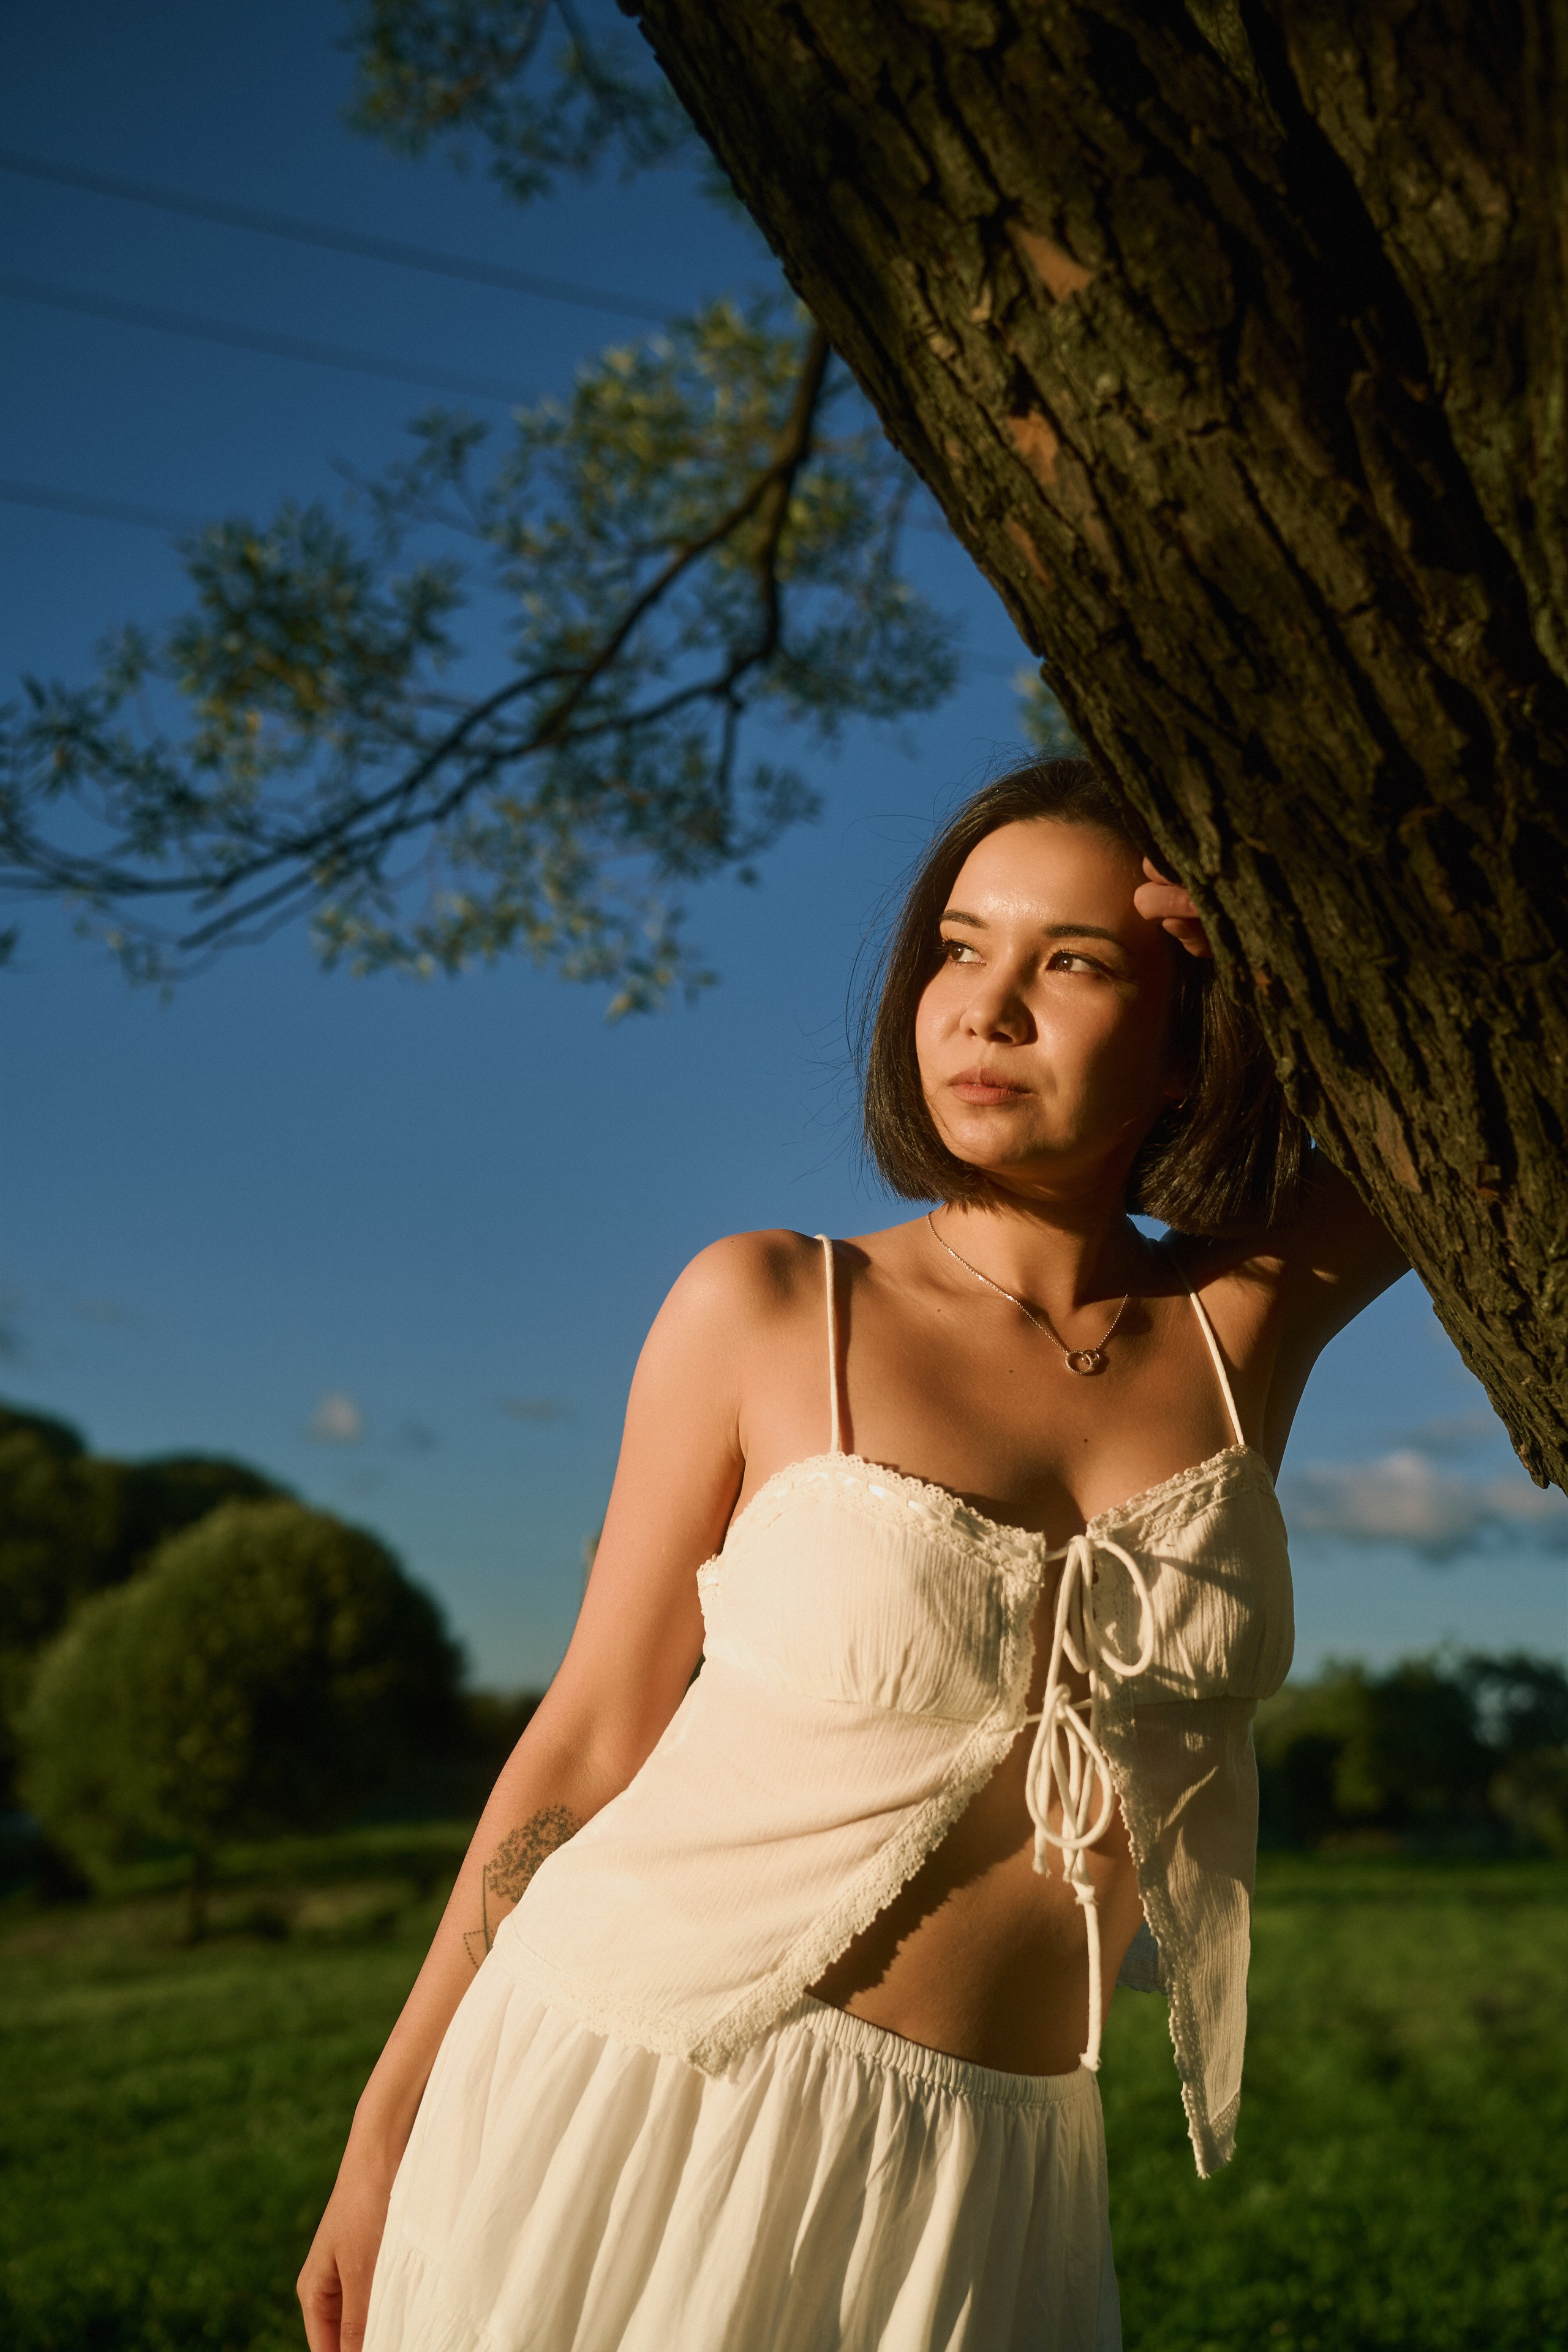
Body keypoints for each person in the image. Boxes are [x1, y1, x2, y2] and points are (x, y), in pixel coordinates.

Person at [299, 757, 1404, 2352]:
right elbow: (593, 1730)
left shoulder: (1242, 1328)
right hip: (643, 2089)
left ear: (1186, 1034)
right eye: (960, 949)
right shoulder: (769, 1304)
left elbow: (1500, 1041)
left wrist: (1291, 911)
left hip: (998, 2176)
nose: (986, 1009)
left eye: (1074, 963)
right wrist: (390, 2115)